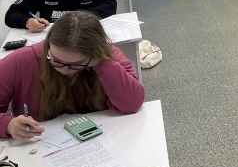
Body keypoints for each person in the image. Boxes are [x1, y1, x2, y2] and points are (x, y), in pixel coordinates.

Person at [0, 10, 145, 139]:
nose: (64, 70)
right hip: (38, 145)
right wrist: (9, 125)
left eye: (76, 64)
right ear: (48, 46)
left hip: (98, 140)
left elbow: (132, 103)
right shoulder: (22, 60)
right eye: (55, 60)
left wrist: (103, 64)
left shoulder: (107, 57)